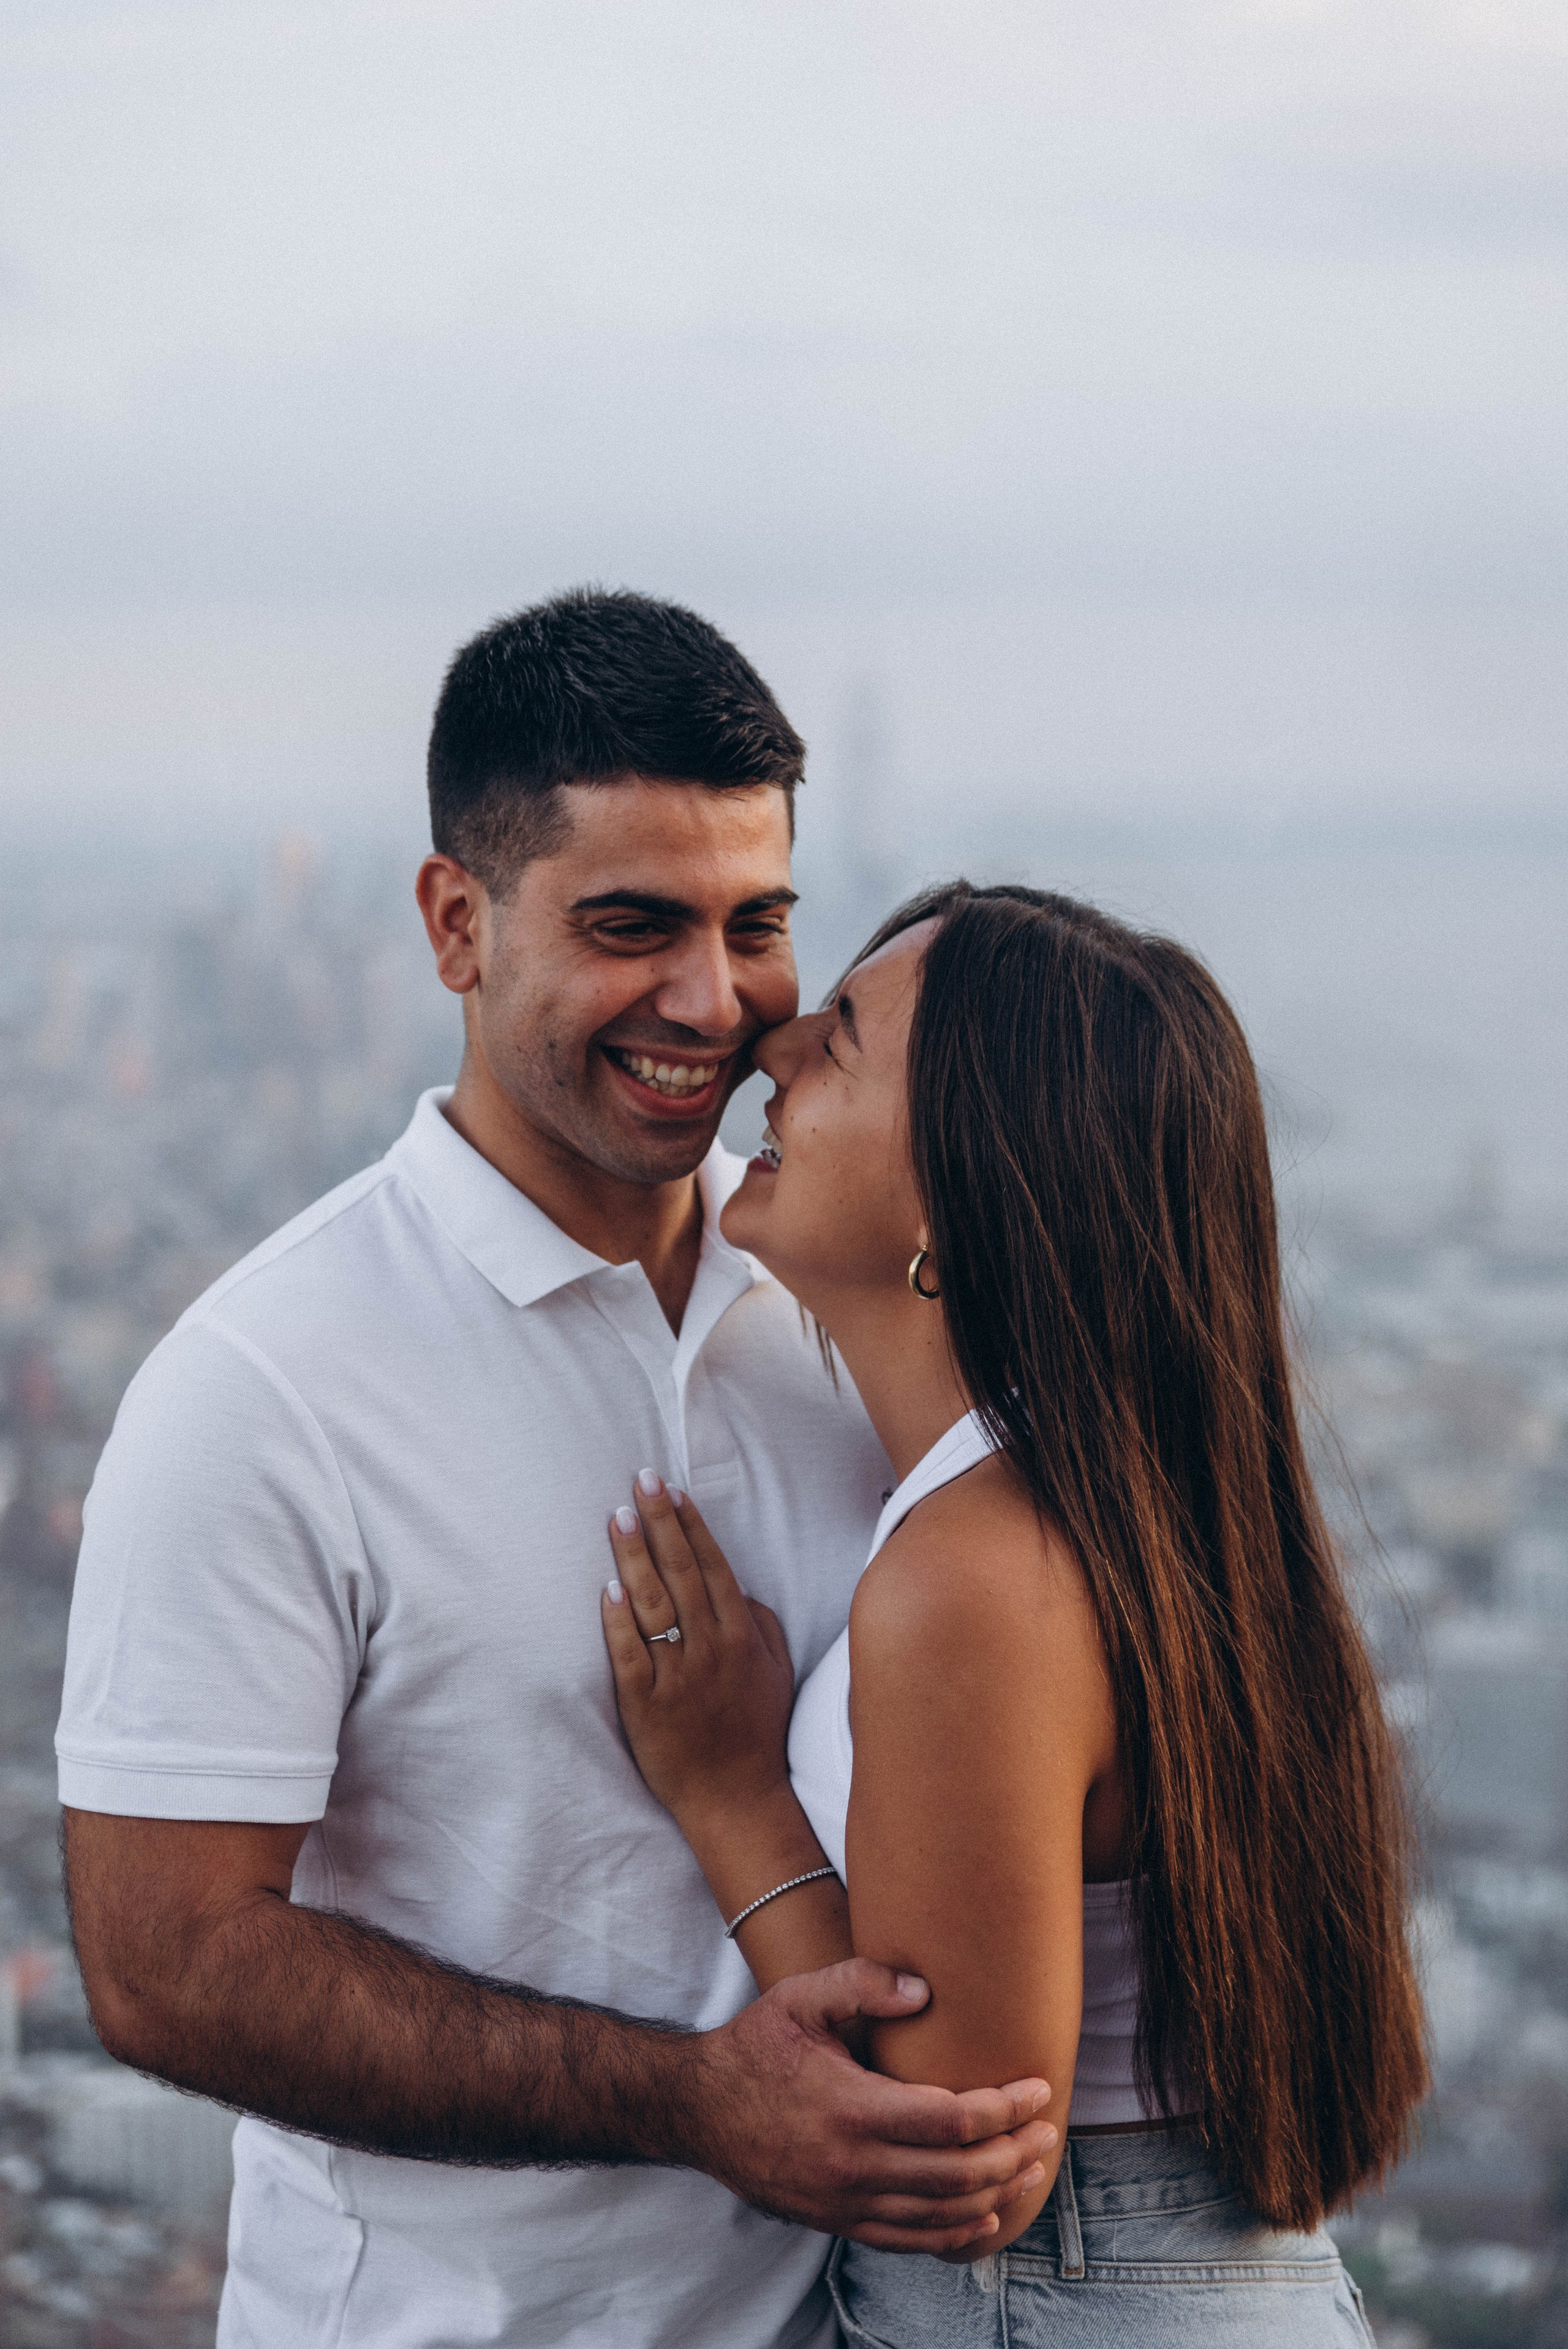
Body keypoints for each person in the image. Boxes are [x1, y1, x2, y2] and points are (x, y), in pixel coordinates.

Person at [55, 595, 1057, 2349]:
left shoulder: (849, 1316)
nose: (711, 997)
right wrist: (692, 2099)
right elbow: (166, 1964)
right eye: (630, 925)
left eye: (758, 925)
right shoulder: (265, 1382)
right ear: (457, 920)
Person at [599, 880, 1430, 2347]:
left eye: (841, 1040)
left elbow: (940, 2158)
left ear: (953, 1200)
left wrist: (731, 1797)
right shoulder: (1130, 1509)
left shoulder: (974, 1575)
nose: (771, 1050)